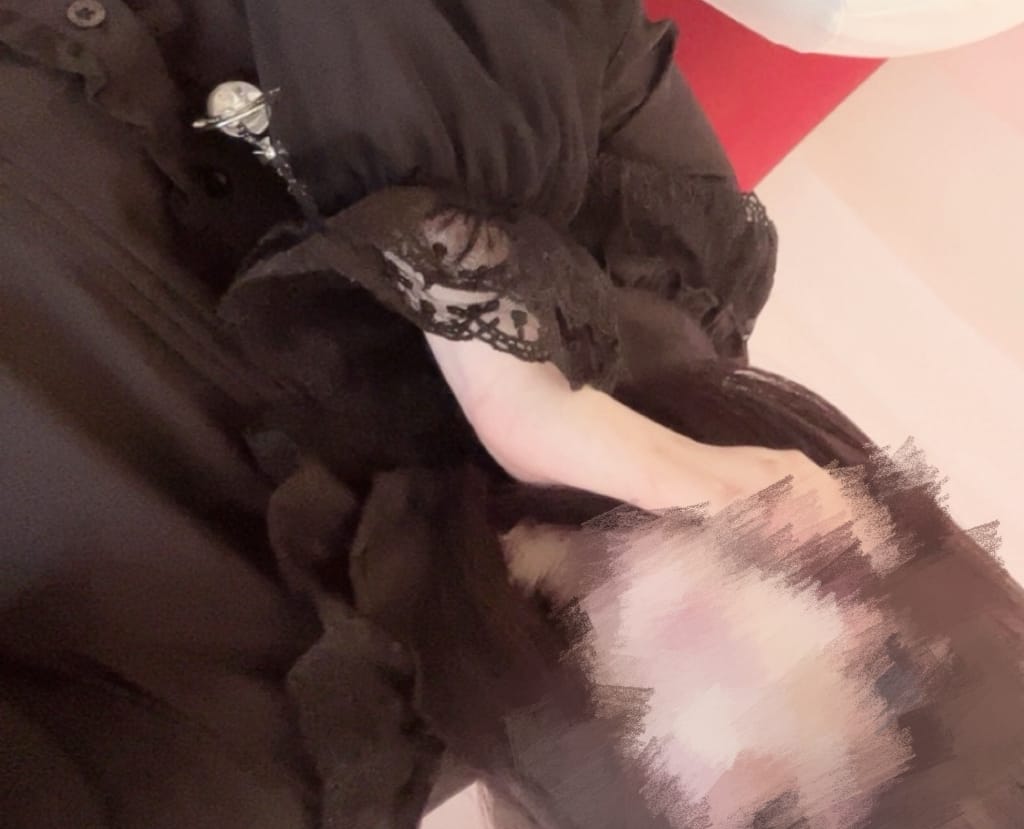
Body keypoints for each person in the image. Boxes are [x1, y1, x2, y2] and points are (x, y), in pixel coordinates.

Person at [1, 1, 1021, 827]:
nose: (780, 683)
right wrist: (505, 351)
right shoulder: (673, 256)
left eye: (775, 813)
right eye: (890, 676)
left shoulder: (223, 761)